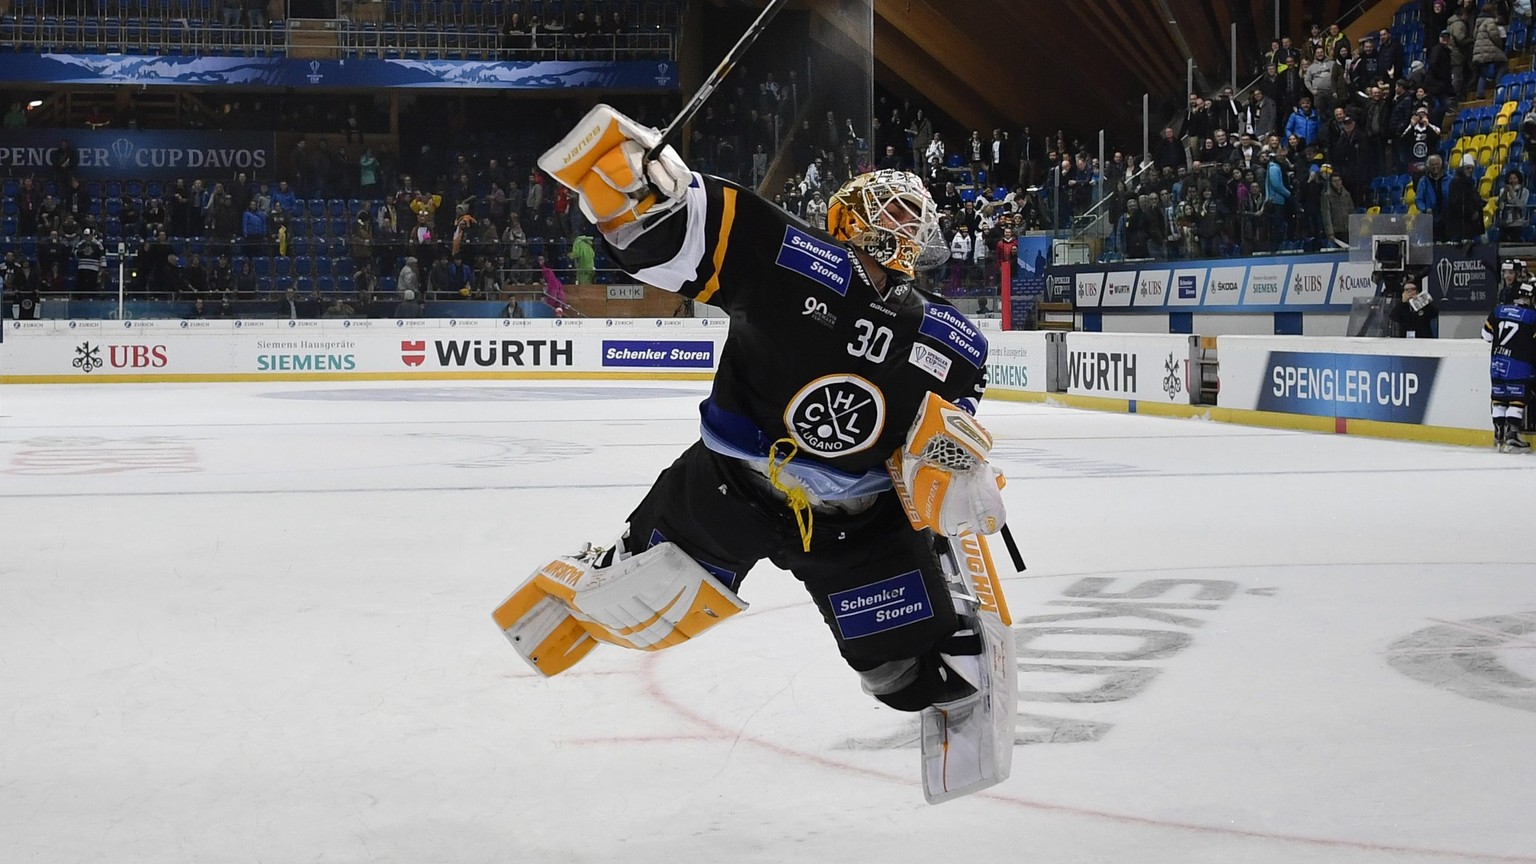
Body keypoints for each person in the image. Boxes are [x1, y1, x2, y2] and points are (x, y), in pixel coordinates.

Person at [494, 105, 1017, 803]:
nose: (907, 225)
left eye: (913, 214)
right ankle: (589, 576)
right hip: (729, 489)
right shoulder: (790, 256)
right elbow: (678, 237)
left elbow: (947, 433)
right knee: (643, 598)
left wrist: (957, 468)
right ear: (848, 222)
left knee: (905, 677)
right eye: (890, 213)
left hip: (857, 523)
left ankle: (939, 610)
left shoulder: (954, 338)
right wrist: (643, 194)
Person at [1483, 282, 1536, 451]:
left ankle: (1498, 436)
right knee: (1516, 400)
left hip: (1498, 362)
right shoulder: (1532, 315)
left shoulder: (1498, 311)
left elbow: (1486, 335)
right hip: (1519, 364)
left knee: (1499, 400)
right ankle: (1512, 436)